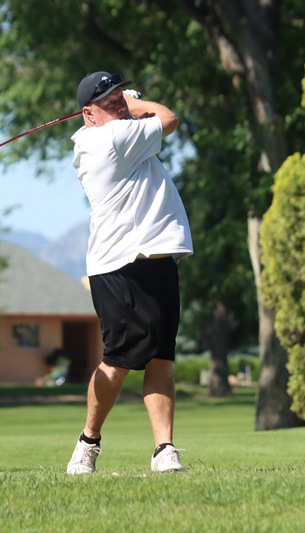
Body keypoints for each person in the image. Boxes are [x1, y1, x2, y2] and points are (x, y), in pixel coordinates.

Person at [66, 71, 194, 474]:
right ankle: (88, 442)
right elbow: (168, 118)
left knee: (160, 358)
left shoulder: (108, 132)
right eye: (110, 102)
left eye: (121, 96)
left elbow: (145, 122)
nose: (120, 105)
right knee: (117, 361)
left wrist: (122, 107)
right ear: (89, 115)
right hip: (118, 264)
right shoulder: (111, 139)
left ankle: (164, 449)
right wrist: (137, 105)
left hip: (155, 255)